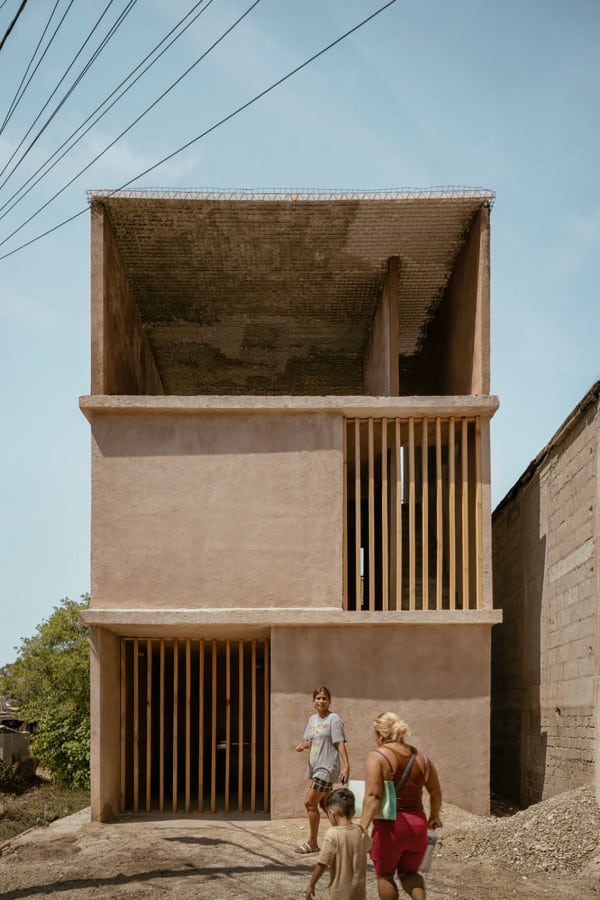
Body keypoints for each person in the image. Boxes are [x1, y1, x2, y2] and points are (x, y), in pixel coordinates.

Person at [359, 712, 442, 900]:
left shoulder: (377, 756)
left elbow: (373, 796)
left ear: (380, 734)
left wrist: (362, 827)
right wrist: (434, 816)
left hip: (390, 828)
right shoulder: (422, 758)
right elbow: (435, 792)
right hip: (418, 826)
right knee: (410, 874)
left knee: (385, 876)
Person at [295, 686, 350, 854]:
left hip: (326, 768)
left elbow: (340, 743)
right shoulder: (312, 720)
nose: (321, 701)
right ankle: (344, 840)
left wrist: (347, 766)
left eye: (324, 698)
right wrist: (303, 745)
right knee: (326, 805)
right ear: (313, 701)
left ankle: (312, 843)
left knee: (309, 802)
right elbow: (310, 741)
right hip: (315, 767)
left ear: (329, 701)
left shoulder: (333, 719)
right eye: (318, 698)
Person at [304, 787, 373, 900]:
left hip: (339, 894)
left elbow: (322, 863)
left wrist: (311, 884)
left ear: (332, 814)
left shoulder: (332, 834)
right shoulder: (360, 831)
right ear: (353, 812)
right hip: (359, 893)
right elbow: (370, 847)